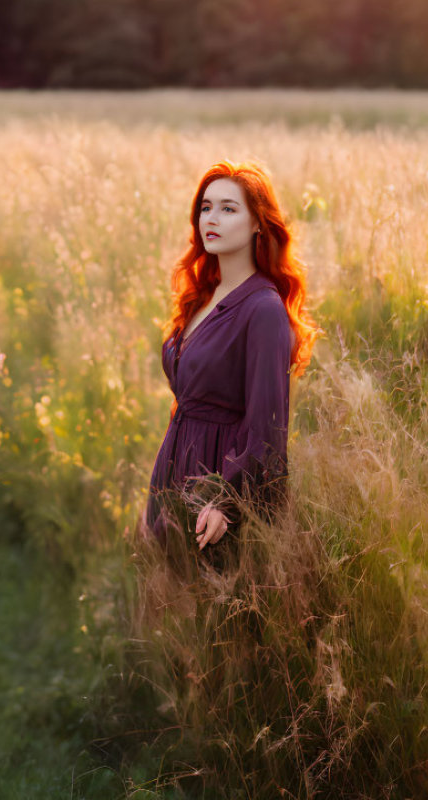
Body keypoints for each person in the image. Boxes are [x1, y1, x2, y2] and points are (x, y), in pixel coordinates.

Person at [141, 160, 320, 573]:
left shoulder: (263, 309)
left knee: (210, 616)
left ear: (259, 222)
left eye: (228, 208)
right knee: (168, 610)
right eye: (205, 207)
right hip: (175, 465)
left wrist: (228, 503)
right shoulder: (202, 294)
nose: (212, 219)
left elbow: (266, 428)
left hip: (217, 486)